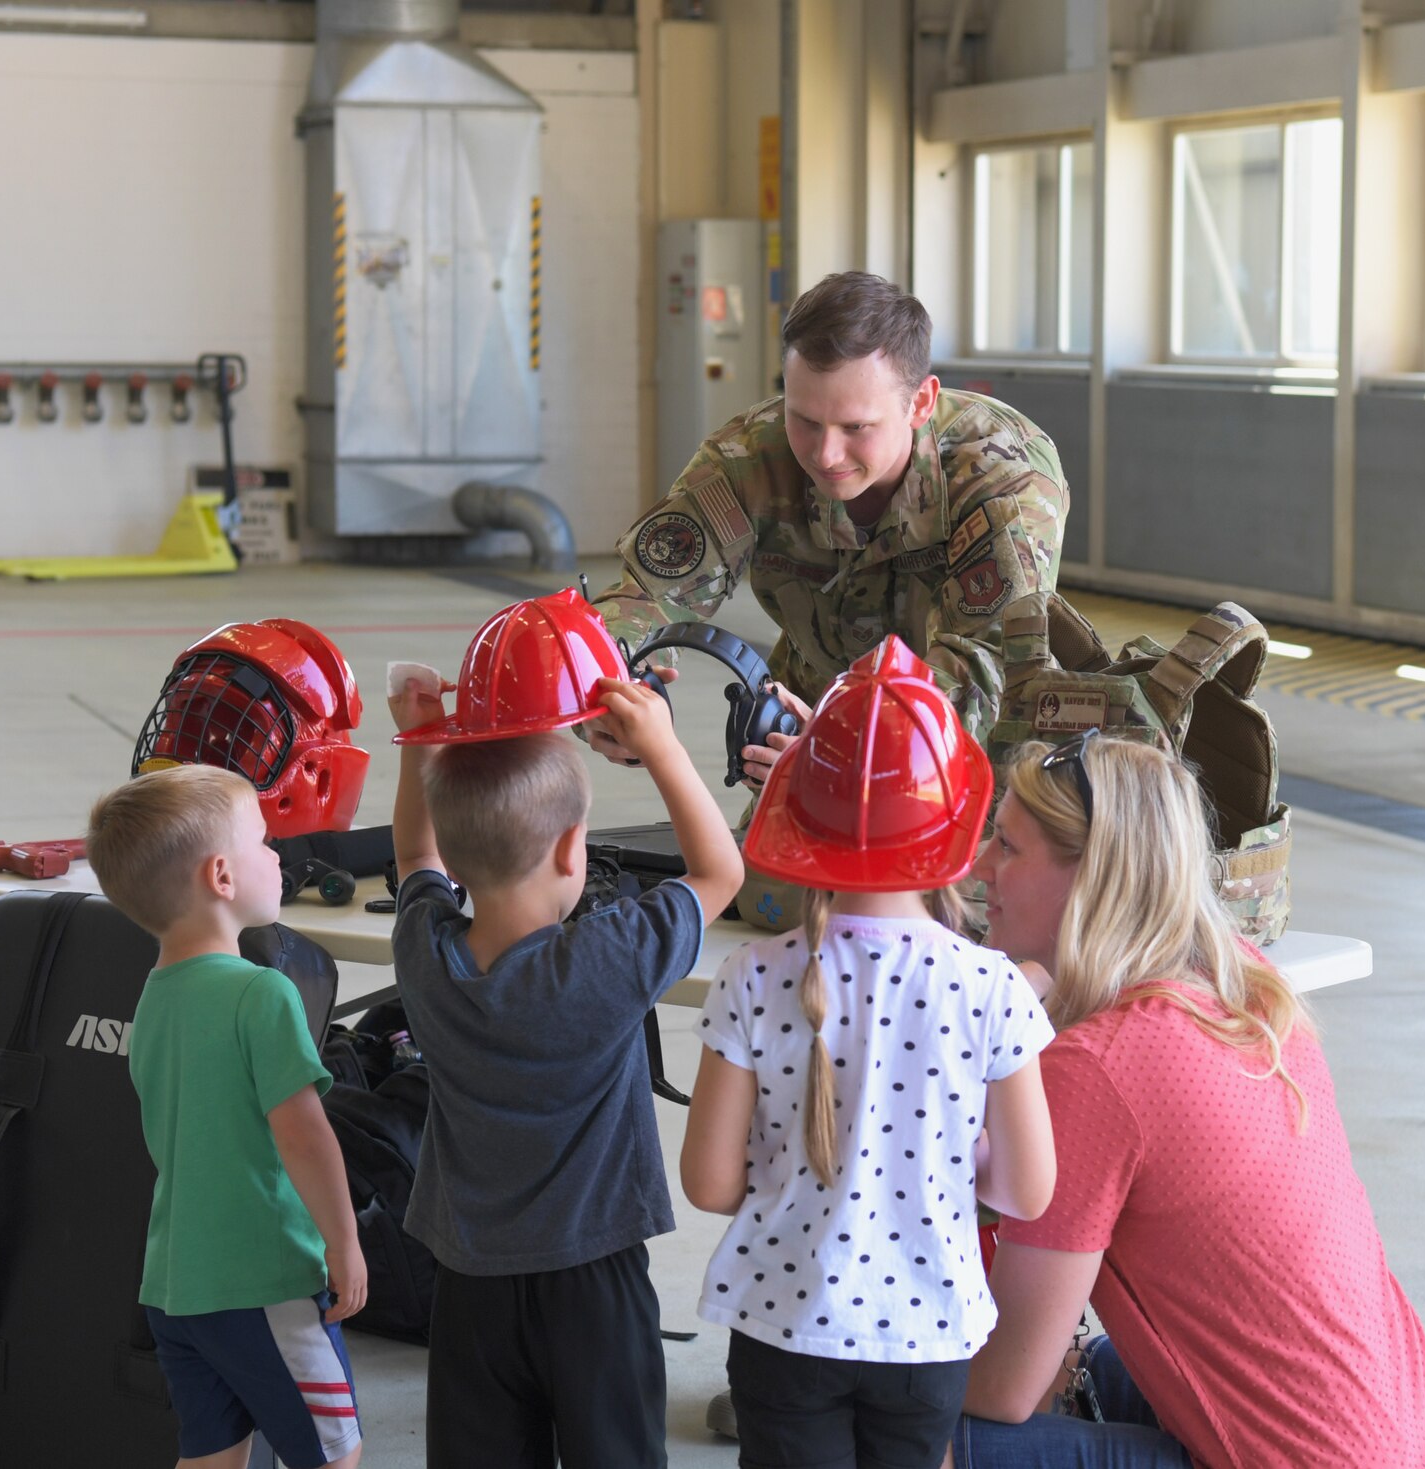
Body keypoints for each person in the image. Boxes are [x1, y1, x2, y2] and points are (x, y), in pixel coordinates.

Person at [954, 731, 1425, 1468]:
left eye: (1007, 847)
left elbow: (1004, 1386)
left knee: (888, 1431)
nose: (981, 868)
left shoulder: (1095, 1069)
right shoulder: (1244, 987)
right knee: (1095, 1365)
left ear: (1094, 875)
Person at [679, 637, 1057, 1469]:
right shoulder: (994, 987)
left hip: (785, 1323)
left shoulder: (753, 974)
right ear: (956, 820)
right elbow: (1026, 1191)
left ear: (797, 814)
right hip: (926, 1339)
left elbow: (708, 1183)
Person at [387, 660, 745, 1468]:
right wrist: (661, 748)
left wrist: (419, 739)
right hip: (595, 1279)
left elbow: (415, 853)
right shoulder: (605, 961)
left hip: (470, 1282)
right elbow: (722, 870)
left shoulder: (426, 956)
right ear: (571, 847)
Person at [588, 271, 1069, 784]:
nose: (825, 454)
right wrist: (610, 692)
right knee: (756, 867)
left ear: (920, 403)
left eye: (856, 427)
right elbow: (643, 598)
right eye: (805, 420)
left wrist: (850, 746)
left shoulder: (1002, 473)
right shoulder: (752, 456)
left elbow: (988, 663)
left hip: (961, 764)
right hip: (801, 733)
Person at [84, 766, 368, 1469]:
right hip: (261, 1277)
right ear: (221, 875)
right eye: (266, 843)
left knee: (213, 1457)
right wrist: (343, 1241)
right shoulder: (260, 993)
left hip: (177, 1285)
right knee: (336, 1453)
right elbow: (303, 1133)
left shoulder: (154, 996)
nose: (279, 858)